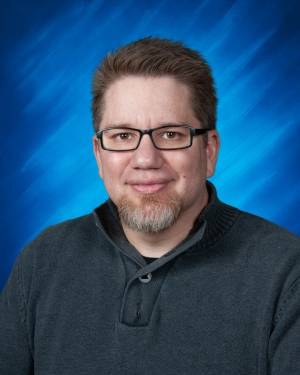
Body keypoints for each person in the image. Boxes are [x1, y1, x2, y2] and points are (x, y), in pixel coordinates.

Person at [0, 37, 299, 375]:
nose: (145, 159)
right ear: (99, 155)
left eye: (170, 134)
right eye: (123, 136)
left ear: (209, 150)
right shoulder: (41, 262)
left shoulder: (287, 274)